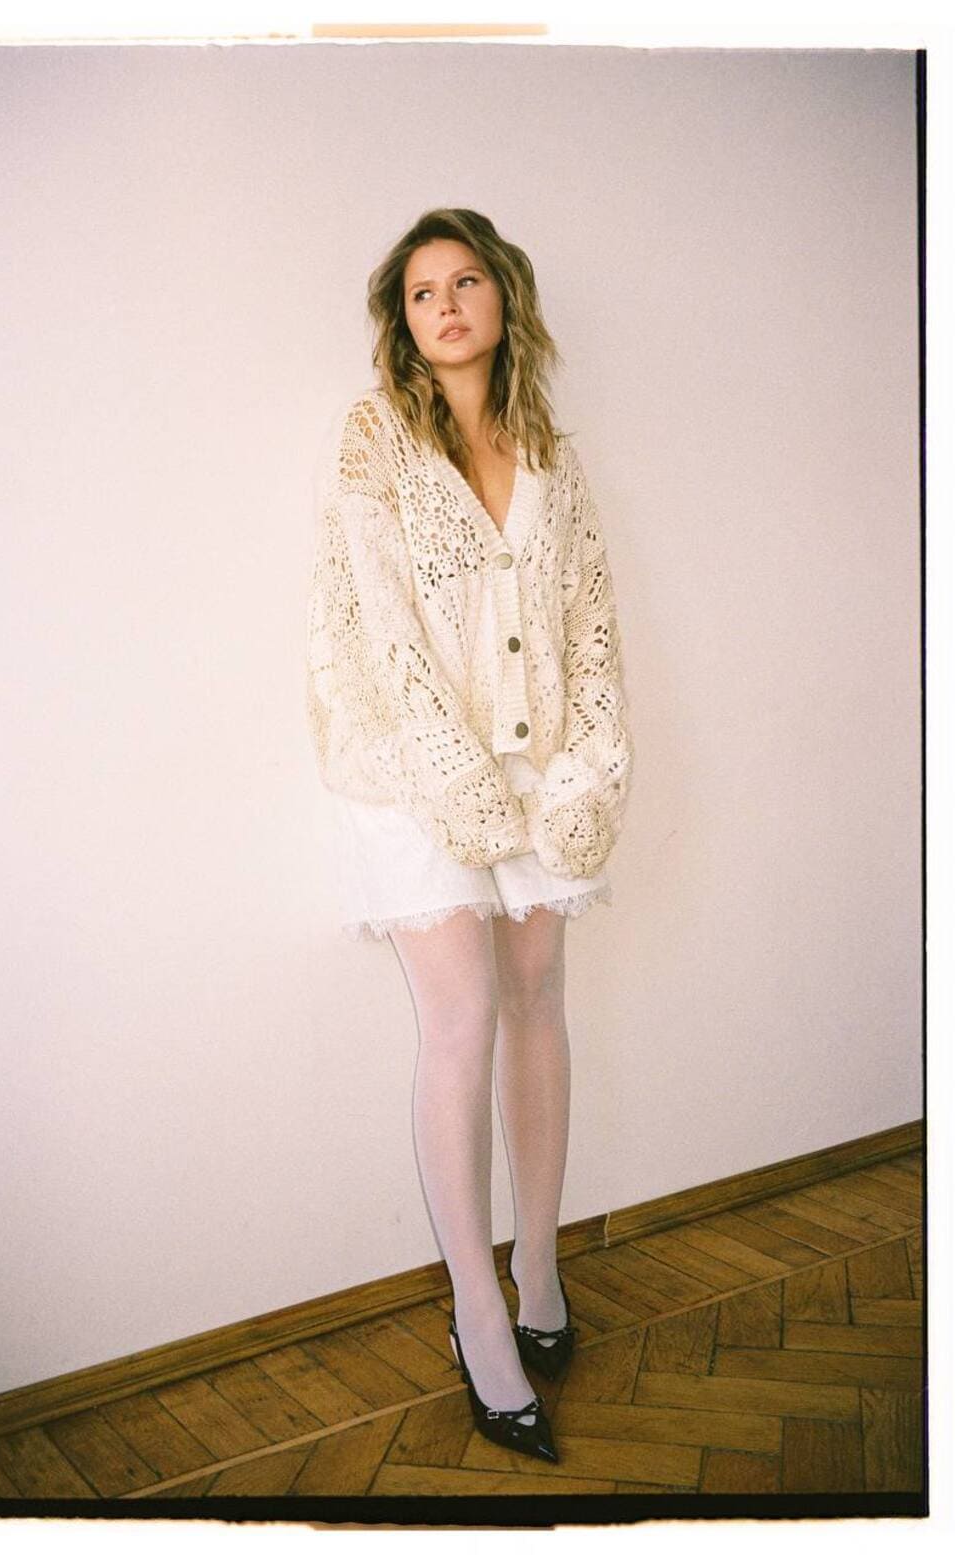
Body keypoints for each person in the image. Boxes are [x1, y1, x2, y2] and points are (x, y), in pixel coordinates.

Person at [305, 208, 634, 1465]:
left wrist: (587, 760)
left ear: (504, 299)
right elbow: (378, 627)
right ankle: (475, 1313)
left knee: (539, 998)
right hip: (409, 770)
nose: (445, 305)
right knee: (461, 1021)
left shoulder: (549, 448)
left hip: (536, 766)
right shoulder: (374, 440)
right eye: (421, 291)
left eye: (466, 281)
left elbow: (589, 616)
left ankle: (539, 1269)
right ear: (402, 319)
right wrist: (454, 778)